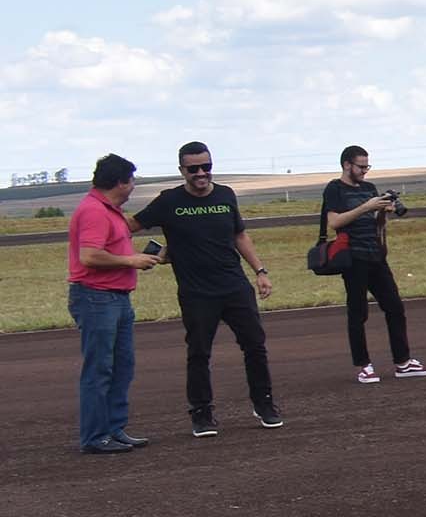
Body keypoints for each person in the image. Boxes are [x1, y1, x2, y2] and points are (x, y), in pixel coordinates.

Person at [136, 140, 282, 436]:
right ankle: (201, 413)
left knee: (255, 345)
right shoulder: (168, 201)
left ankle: (263, 403)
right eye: (194, 168)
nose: (202, 173)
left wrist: (260, 271)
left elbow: (240, 235)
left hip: (234, 285)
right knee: (199, 352)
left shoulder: (226, 195)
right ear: (182, 170)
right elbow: (129, 225)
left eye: (207, 166)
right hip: (196, 292)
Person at [322, 146, 426, 385]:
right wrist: (366, 206)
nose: (365, 171)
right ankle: (364, 366)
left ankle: (403, 362)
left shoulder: (368, 189)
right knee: (358, 312)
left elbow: (376, 224)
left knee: (395, 307)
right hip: (353, 258)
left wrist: (384, 211)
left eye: (367, 166)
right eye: (361, 166)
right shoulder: (335, 189)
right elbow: (334, 222)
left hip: (376, 255)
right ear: (346, 165)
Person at [67, 154, 159, 454]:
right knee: (100, 369)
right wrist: (131, 260)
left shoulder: (111, 211)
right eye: (131, 180)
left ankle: (113, 428)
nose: (133, 186)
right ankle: (95, 436)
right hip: (96, 297)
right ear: (120, 182)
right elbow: (89, 256)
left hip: (115, 297)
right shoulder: (94, 211)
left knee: (121, 366)